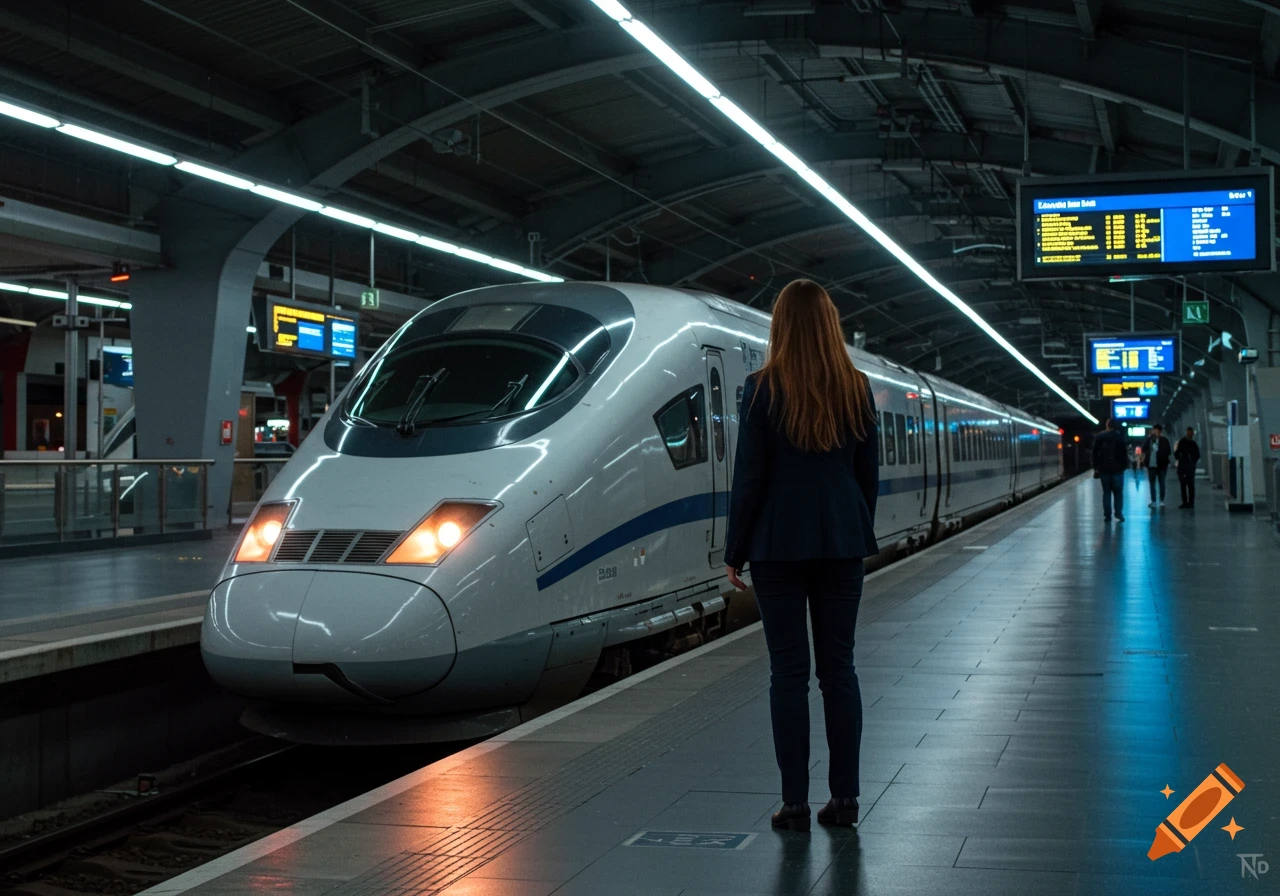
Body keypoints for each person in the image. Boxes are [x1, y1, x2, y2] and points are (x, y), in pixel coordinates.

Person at [723, 279, 879, 834]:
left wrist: (734, 550)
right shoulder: (856, 388)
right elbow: (868, 478)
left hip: (777, 547)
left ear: (780, 326)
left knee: (788, 674)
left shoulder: (760, 390)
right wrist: (854, 531)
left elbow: (750, 479)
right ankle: (846, 801)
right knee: (839, 671)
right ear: (831, 324)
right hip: (842, 546)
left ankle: (793, 804)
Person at [1092, 418, 1128, 523]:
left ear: (1107, 425)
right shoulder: (1120, 437)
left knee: (1106, 493)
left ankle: (1107, 516)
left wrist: (1096, 467)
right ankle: (1118, 513)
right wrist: (1124, 466)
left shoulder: (1099, 437)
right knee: (1118, 493)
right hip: (1117, 470)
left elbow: (1095, 453)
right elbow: (1123, 454)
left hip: (1104, 470)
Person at [1142, 424, 1172, 508]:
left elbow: (1168, 451)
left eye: (1155, 430)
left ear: (1159, 431)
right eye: (1153, 430)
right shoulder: (1149, 440)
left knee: (1162, 483)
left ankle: (1162, 500)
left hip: (1162, 465)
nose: (1153, 431)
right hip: (1151, 465)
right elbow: (1143, 449)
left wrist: (1160, 451)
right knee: (1152, 483)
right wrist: (1150, 450)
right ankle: (1153, 501)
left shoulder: (1164, 440)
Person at [1174, 426, 1201, 509]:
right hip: (1188, 466)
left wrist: (1180, 459)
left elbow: (1176, 453)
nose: (1190, 434)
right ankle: (1189, 503)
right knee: (1189, 485)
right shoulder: (1192, 444)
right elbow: (1197, 455)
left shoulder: (1184, 442)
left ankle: (1186, 502)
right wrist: (1193, 462)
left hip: (1184, 466)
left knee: (1185, 485)